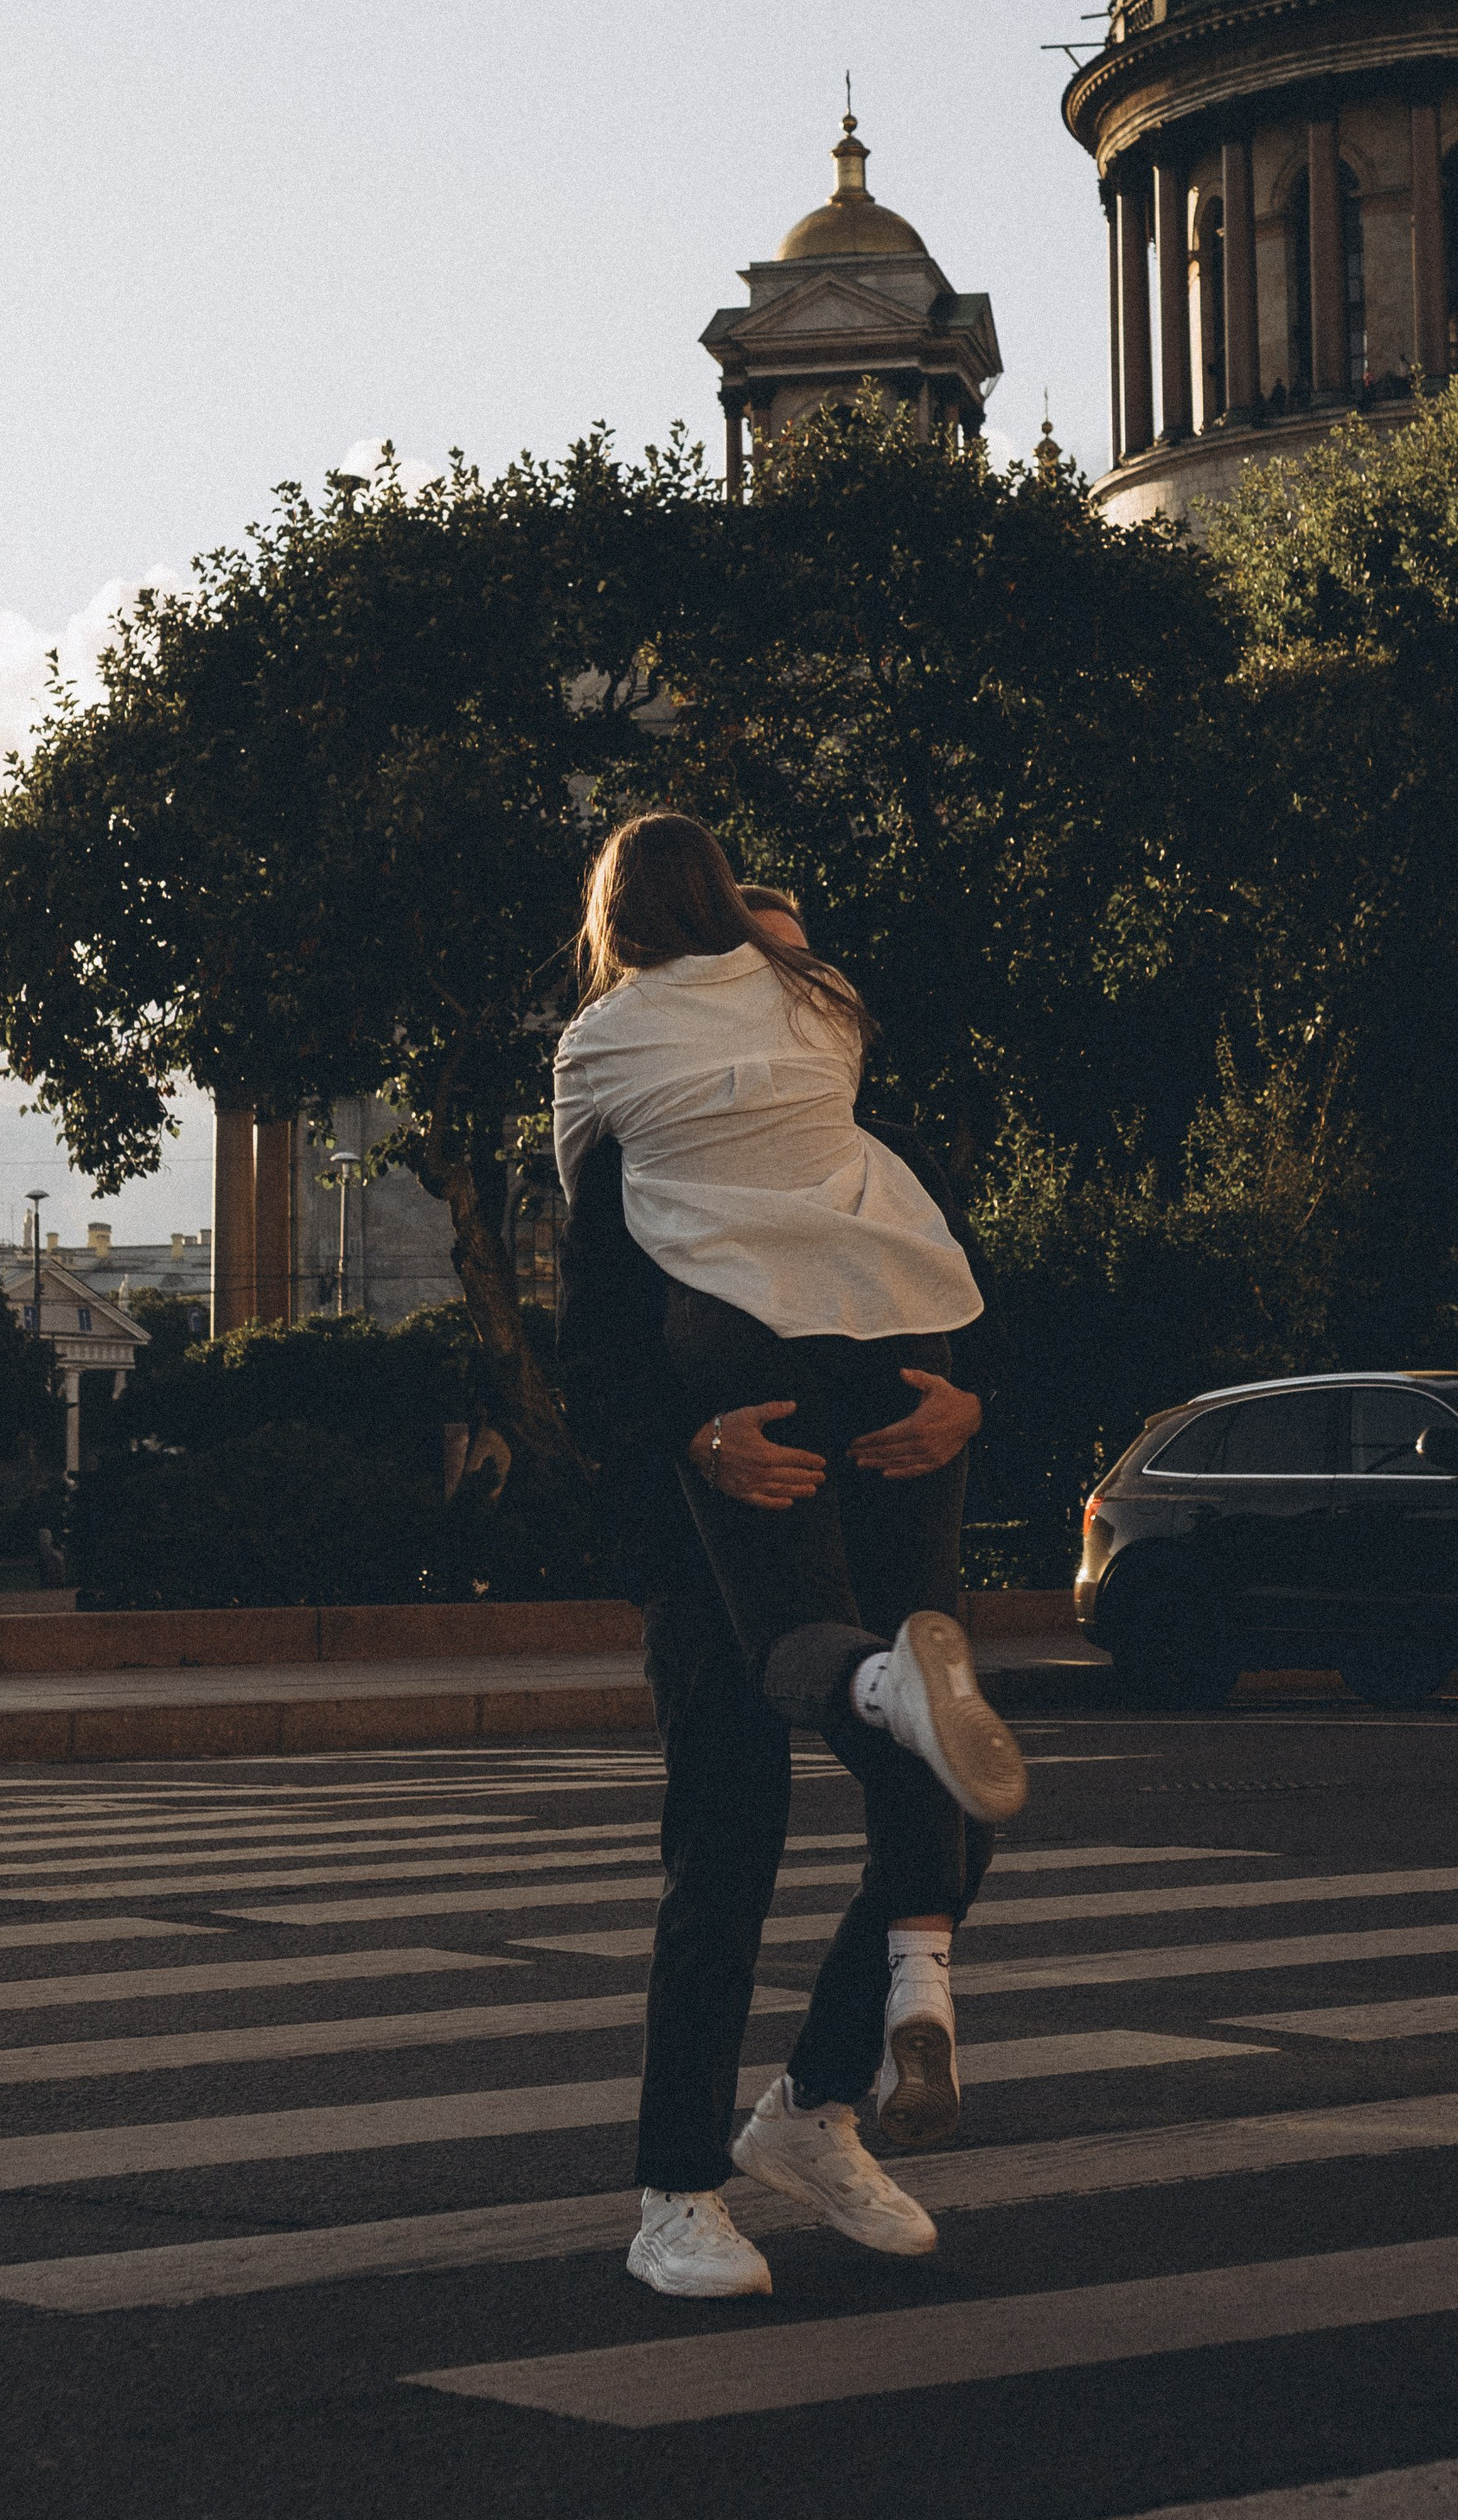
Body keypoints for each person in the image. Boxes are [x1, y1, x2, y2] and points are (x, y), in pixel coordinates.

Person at [553, 822, 1025, 2294]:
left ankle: (812, 2113)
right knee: (731, 1847)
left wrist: (968, 1398)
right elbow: (595, 1364)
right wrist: (699, 1446)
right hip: (706, 1553)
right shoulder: (629, 1132)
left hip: (865, 1489)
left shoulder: (832, 1114)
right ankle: (676, 2190)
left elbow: (933, 1264)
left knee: (959, 1801)